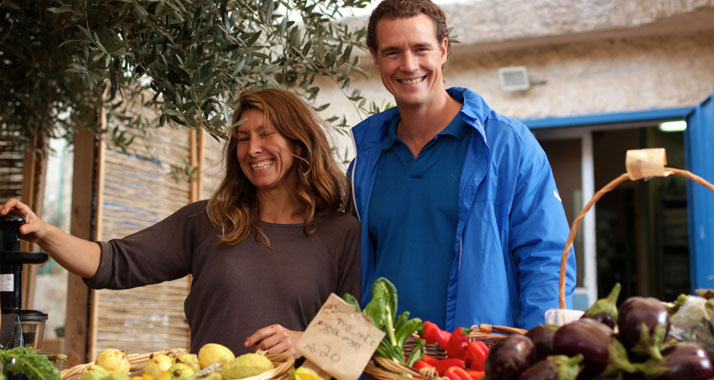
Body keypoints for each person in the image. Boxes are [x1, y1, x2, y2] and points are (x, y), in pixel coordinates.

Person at [1, 88, 361, 357]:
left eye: (267, 134)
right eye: (242, 139)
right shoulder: (210, 221)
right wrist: (44, 232)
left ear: (299, 142)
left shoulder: (343, 234)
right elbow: (113, 262)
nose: (252, 149)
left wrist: (306, 341)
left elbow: (358, 340)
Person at [348, 0, 577, 332]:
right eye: (393, 52)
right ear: (375, 58)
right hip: (390, 362)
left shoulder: (507, 145)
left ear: (443, 50)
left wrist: (536, 350)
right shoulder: (365, 163)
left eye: (421, 49)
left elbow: (547, 261)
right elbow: (352, 273)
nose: (409, 65)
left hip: (476, 361)